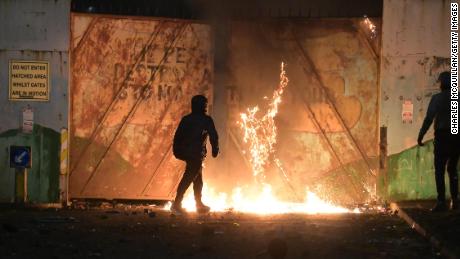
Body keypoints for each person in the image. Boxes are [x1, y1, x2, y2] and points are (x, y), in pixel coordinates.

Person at [418, 71, 460, 212]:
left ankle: (441, 201)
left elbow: (429, 119)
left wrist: (421, 135)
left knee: (439, 170)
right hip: (456, 138)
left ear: (442, 83)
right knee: (452, 169)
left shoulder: (437, 99)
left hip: (442, 137)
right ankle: (455, 200)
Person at [171, 95, 219, 215]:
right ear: (202, 106)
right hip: (194, 154)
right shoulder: (206, 120)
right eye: (204, 104)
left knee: (198, 179)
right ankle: (177, 204)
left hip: (186, 152)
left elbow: (177, 136)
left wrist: (178, 150)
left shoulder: (186, 119)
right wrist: (215, 149)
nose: (205, 107)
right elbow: (214, 136)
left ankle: (198, 204)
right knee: (189, 177)